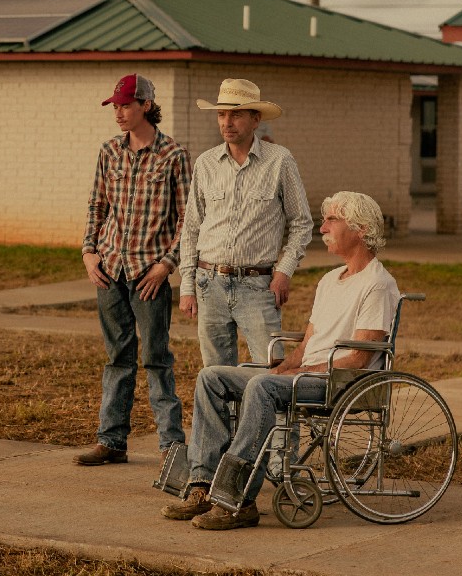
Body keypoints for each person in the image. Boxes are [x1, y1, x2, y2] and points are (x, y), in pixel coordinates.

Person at [161, 191, 400, 530]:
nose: (323, 227)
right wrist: (285, 367)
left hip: (340, 383)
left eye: (332, 220)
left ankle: (238, 500)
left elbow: (359, 358)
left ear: (360, 229)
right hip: (309, 375)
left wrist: (302, 372)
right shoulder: (330, 280)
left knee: (261, 386)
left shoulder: (378, 284)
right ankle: (201, 486)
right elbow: (306, 345)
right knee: (212, 376)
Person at [76, 73, 189, 466]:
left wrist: (166, 266)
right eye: (116, 106)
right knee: (116, 357)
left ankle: (171, 446)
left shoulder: (173, 155)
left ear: (145, 105)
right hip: (109, 268)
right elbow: (96, 207)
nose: (119, 113)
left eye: (125, 105)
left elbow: (187, 219)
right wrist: (89, 253)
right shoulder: (109, 152)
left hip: (149, 274)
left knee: (157, 358)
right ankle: (111, 441)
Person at [178, 78, 312, 368]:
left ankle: (263, 417)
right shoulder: (206, 163)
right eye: (221, 114)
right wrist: (187, 285)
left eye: (236, 114)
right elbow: (190, 228)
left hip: (258, 285)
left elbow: (302, 222)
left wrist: (283, 272)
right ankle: (223, 417)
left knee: (271, 374)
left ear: (256, 119)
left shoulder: (280, 161)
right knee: (216, 377)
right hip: (209, 283)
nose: (227, 122)